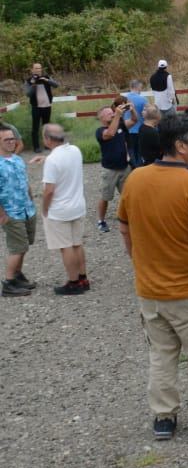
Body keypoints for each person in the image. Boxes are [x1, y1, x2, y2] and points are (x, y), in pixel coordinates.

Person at [118, 114, 188, 440]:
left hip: (150, 290)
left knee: (162, 354)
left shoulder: (136, 178)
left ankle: (163, 417)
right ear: (180, 146)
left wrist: (138, 258)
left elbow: (124, 226)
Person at [41, 124, 89, 295]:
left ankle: (73, 281)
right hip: (78, 205)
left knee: (65, 246)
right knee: (77, 243)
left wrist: (44, 209)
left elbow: (49, 191)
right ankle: (83, 278)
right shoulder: (75, 150)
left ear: (47, 139)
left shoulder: (53, 160)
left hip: (60, 209)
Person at [0, 125, 38, 296]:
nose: (11, 142)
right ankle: (8, 284)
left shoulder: (17, 159)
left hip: (27, 210)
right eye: (6, 139)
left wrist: (31, 199)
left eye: (12, 138)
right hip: (11, 213)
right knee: (17, 248)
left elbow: (25, 181)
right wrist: (2, 214)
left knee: (24, 245)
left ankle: (17, 275)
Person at [95, 104, 132, 233]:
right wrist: (117, 115)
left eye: (112, 112)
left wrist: (132, 111)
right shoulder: (100, 131)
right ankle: (101, 220)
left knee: (128, 195)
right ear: (102, 118)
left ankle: (129, 218)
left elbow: (134, 121)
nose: (112, 113)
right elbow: (110, 133)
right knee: (105, 197)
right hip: (110, 170)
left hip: (124, 167)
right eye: (108, 113)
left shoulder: (120, 125)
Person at [24, 63, 59, 153]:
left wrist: (46, 80)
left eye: (39, 68)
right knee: (35, 127)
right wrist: (34, 84)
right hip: (36, 107)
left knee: (46, 127)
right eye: (36, 68)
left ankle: (47, 145)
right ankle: (36, 147)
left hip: (47, 106)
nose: (38, 70)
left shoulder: (46, 77)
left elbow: (56, 85)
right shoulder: (29, 80)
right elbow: (28, 94)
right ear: (32, 70)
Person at [123, 80, 147, 167]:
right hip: (138, 129)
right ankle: (139, 168)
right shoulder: (143, 99)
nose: (141, 89)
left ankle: (132, 168)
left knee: (130, 151)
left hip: (127, 129)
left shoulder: (124, 99)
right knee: (139, 152)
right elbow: (147, 113)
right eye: (141, 87)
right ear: (137, 87)